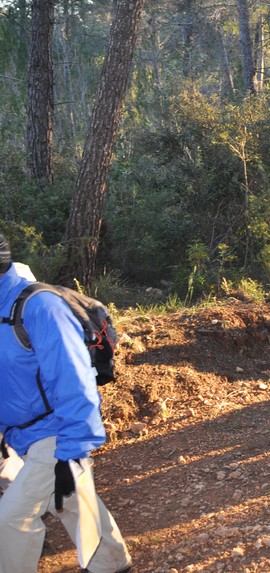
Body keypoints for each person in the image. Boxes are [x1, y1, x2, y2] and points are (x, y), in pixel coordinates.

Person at [0, 233, 133, 573]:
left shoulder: (40, 307)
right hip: (21, 435)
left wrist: (70, 452)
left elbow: (74, 382)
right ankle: (112, 564)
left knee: (11, 519)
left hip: (55, 431)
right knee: (71, 499)